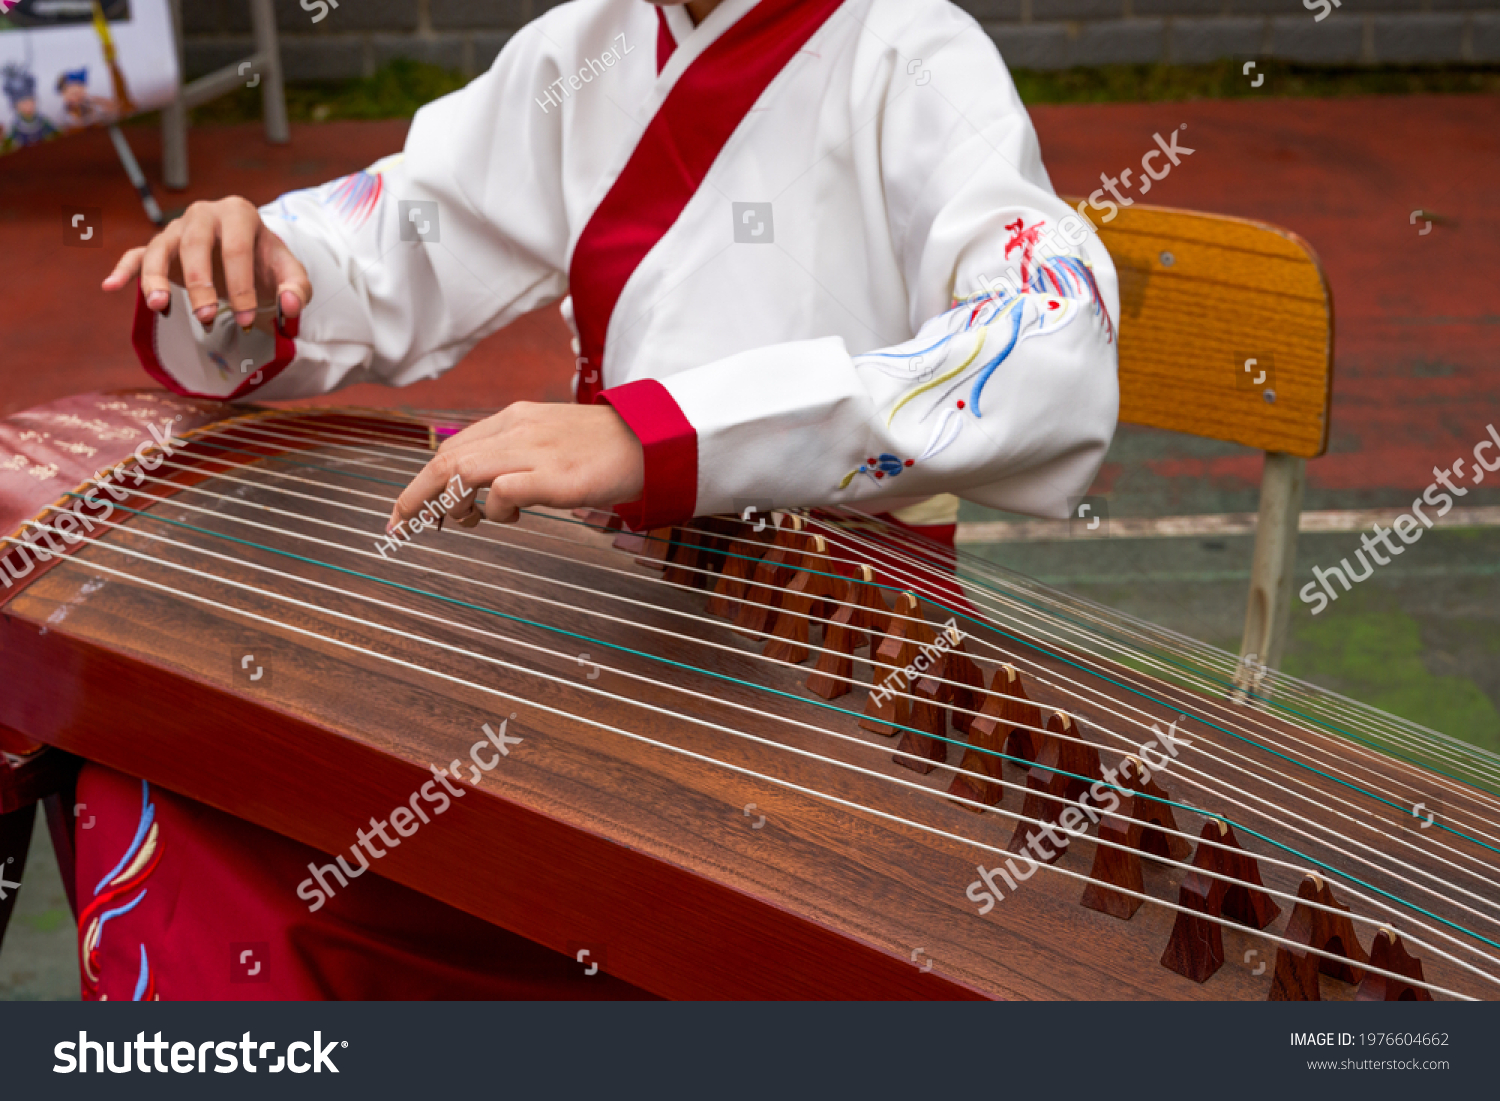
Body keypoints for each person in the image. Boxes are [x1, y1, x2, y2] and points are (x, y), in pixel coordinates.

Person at [93, 0, 1120, 999]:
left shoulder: (908, 48)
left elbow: (1054, 338)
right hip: (626, 629)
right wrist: (258, 266)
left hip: (839, 669)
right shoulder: (587, 45)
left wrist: (662, 433)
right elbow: (407, 228)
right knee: (197, 818)